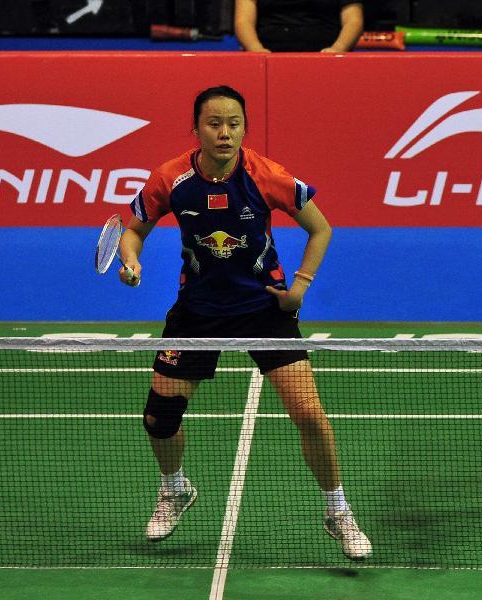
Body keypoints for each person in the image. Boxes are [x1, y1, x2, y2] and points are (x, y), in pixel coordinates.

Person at [118, 85, 372, 561]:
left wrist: (299, 287)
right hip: (198, 309)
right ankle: (174, 489)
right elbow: (132, 230)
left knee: (309, 414)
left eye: (234, 123)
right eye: (214, 123)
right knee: (159, 418)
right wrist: (130, 263)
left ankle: (337, 510)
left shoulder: (265, 175)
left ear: (244, 129)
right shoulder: (170, 178)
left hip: (262, 309)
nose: (225, 133)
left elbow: (321, 227)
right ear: (195, 129)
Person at [234, 0, 364, 53]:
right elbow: (243, 20)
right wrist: (256, 50)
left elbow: (353, 20)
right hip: (268, 53)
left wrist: (338, 49)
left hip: (328, 55)